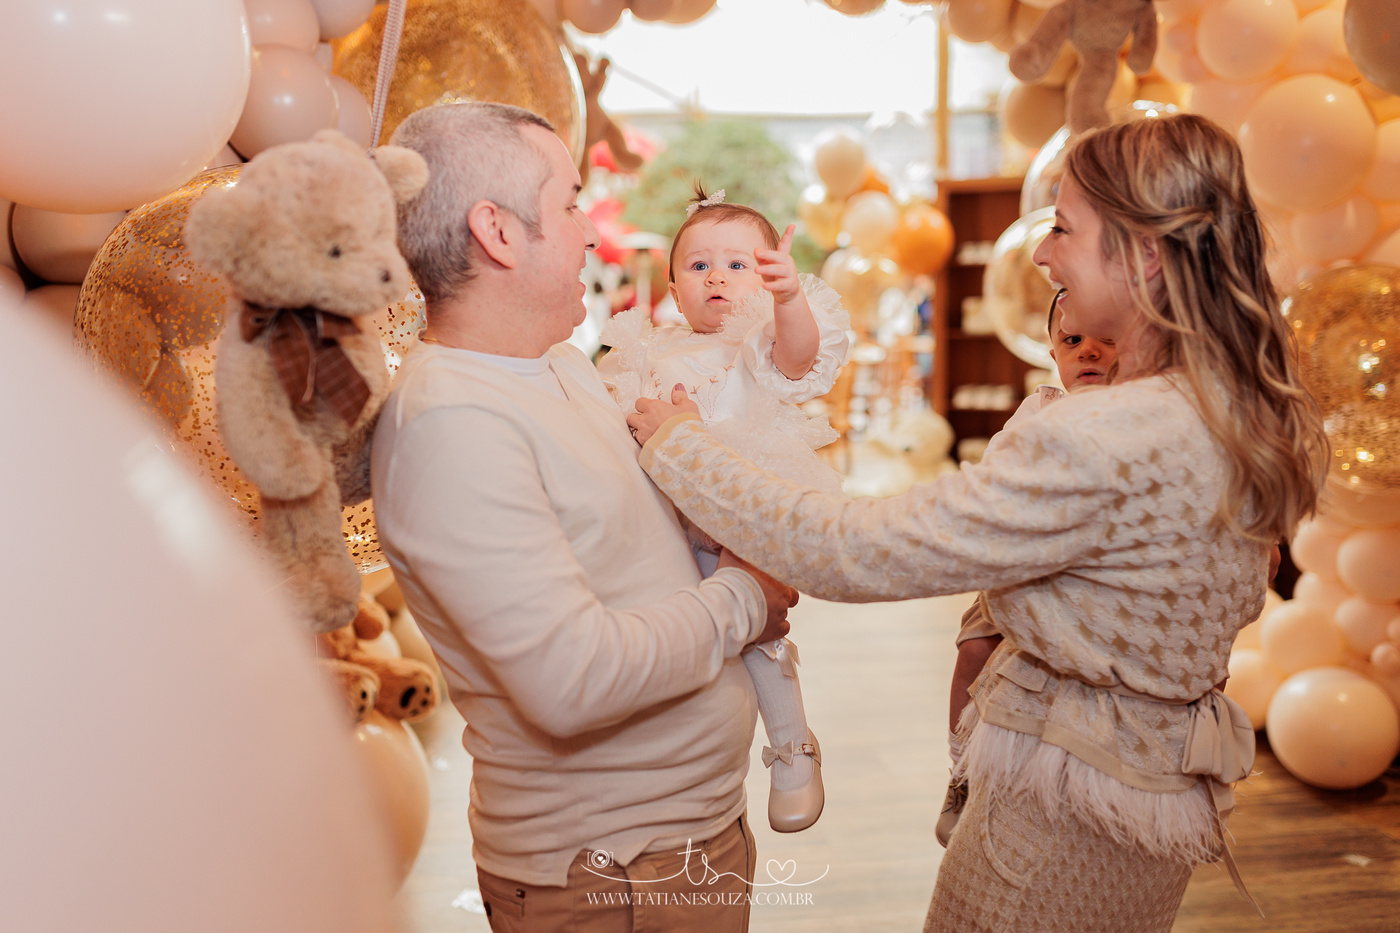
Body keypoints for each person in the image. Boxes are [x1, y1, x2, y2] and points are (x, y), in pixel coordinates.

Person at [626, 113, 1327, 931]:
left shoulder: (1105, 434)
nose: (1042, 254)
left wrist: (683, 447)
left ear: (1142, 255)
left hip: (1062, 816)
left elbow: (851, 549)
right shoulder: (1221, 406)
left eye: (1063, 228)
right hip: (1154, 793)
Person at [371, 101, 799, 933]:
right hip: (607, 869)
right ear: (498, 232)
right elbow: (571, 680)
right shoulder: (450, 421)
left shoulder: (562, 363)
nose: (590, 233)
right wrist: (748, 596)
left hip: (690, 832)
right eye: (569, 204)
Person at [597, 185, 851, 834]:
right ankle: (676, 760)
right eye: (699, 265)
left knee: (758, 628)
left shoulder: (756, 343)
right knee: (680, 631)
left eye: (739, 264)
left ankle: (793, 747)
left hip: (736, 504)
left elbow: (800, 355)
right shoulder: (649, 349)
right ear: (673, 288)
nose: (717, 277)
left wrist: (788, 300)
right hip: (663, 515)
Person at [937, 289, 1116, 847]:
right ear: (1053, 352)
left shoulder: (1137, 417)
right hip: (1022, 569)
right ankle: (962, 769)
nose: (1088, 351)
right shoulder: (1040, 410)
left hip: (1091, 580)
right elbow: (997, 473)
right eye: (1072, 340)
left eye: (1107, 339)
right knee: (974, 649)